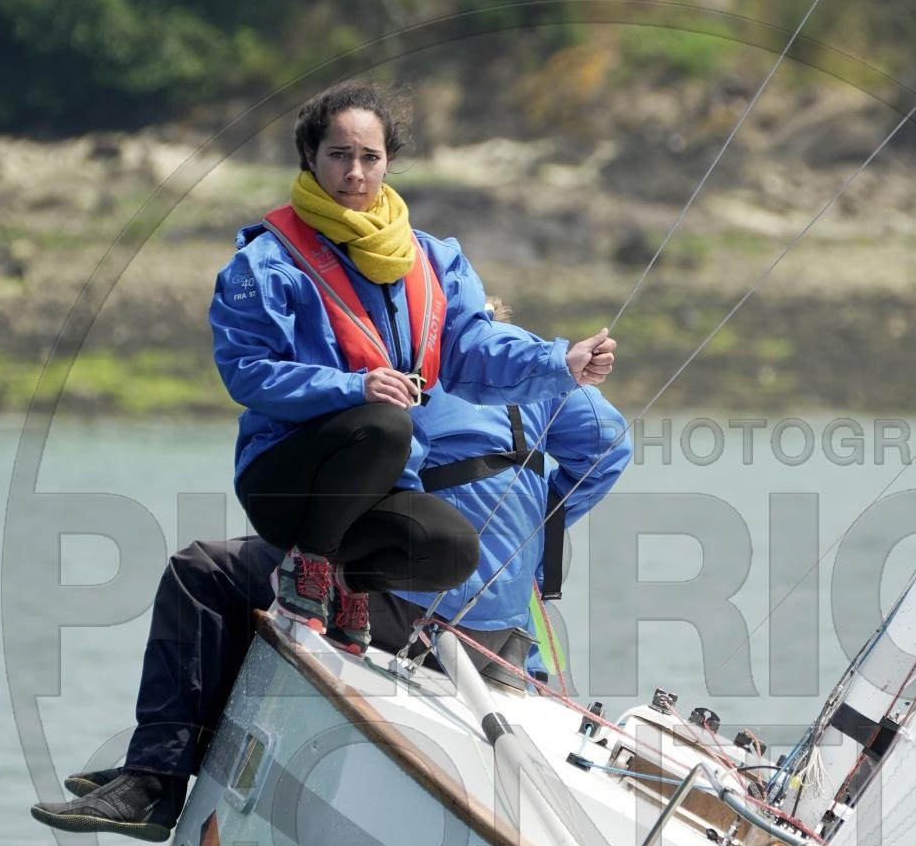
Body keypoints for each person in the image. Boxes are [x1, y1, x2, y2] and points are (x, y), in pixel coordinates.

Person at [30, 371, 629, 842]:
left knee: (206, 572)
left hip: (411, 610)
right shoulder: (540, 380)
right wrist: (537, 530)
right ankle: (172, 755)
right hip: (501, 638)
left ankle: (154, 781)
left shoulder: (413, 371)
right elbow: (611, 446)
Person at [209, 77, 615, 656]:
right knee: (385, 422)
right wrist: (356, 387)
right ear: (310, 157)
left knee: (453, 548)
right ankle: (307, 565)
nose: (355, 173)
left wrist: (561, 362)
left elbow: (472, 350)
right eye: (339, 155)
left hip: (381, 483)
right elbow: (247, 371)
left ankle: (347, 581)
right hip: (290, 481)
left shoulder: (434, 259)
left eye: (369, 158)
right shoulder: (265, 262)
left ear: (388, 161)